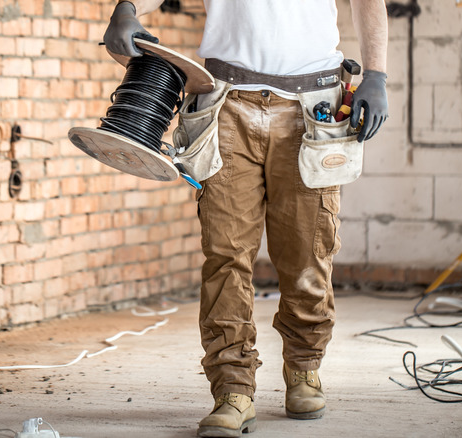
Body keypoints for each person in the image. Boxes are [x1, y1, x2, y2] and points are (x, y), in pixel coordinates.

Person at [104, 1, 388, 436]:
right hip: (225, 103)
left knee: (308, 255)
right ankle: (232, 389)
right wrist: (127, 8)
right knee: (225, 255)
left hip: (314, 107)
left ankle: (304, 368)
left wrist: (377, 74)